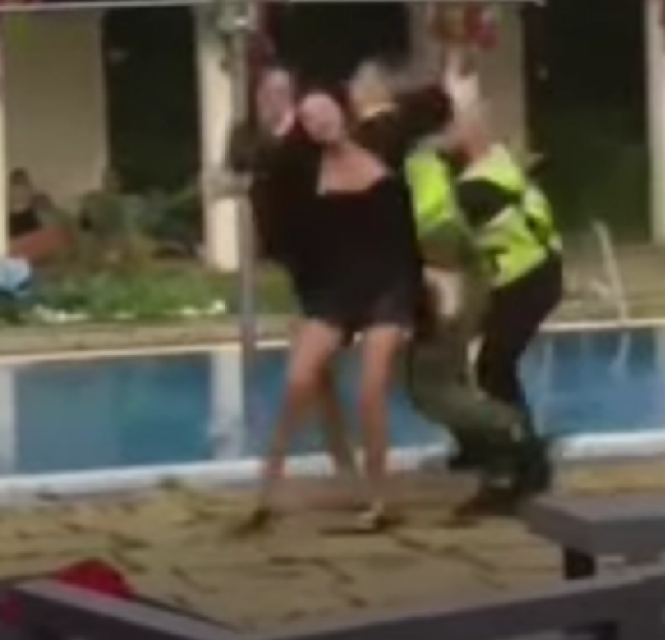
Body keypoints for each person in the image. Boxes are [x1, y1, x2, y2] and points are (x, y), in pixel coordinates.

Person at [348, 63, 542, 514]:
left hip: (448, 276)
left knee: (430, 385)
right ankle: (494, 450)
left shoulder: (412, 156)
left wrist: (439, 285)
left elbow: (435, 228)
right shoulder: (421, 151)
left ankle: (508, 433)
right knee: (439, 378)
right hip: (452, 274)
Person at [252, 87, 424, 531]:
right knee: (299, 379)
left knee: (371, 388)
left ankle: (380, 499)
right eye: (310, 117)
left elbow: (407, 239)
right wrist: (307, 304)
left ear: (342, 112)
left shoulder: (383, 149)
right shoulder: (302, 175)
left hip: (388, 286)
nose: (321, 120)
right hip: (335, 291)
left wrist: (416, 303)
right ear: (305, 129)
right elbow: (291, 240)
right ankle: (267, 491)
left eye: (325, 110)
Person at [228, 69, 361, 526]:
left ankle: (302, 477)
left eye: (281, 92)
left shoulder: (307, 142)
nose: (272, 100)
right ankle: (339, 469)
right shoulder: (249, 138)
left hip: (319, 267)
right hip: (288, 267)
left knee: (312, 374)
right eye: (266, 92)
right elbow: (240, 173)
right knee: (316, 378)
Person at [444, 86, 563, 500]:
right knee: (475, 361)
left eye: (452, 127)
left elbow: (437, 233)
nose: (444, 137)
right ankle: (493, 449)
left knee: (494, 366)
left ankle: (528, 463)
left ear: (471, 133)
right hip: (529, 275)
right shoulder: (496, 163)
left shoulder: (478, 186)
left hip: (529, 278)